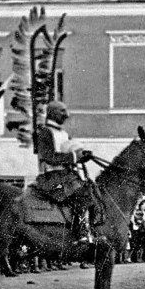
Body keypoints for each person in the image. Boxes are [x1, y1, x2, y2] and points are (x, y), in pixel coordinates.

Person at [31, 101, 97, 242]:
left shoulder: (64, 133)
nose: (66, 115)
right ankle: (79, 233)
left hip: (65, 176)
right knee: (81, 195)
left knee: (91, 191)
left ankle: (89, 229)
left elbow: (72, 155)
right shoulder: (44, 132)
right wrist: (74, 156)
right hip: (51, 177)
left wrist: (83, 156)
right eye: (62, 111)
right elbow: (49, 157)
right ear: (52, 113)